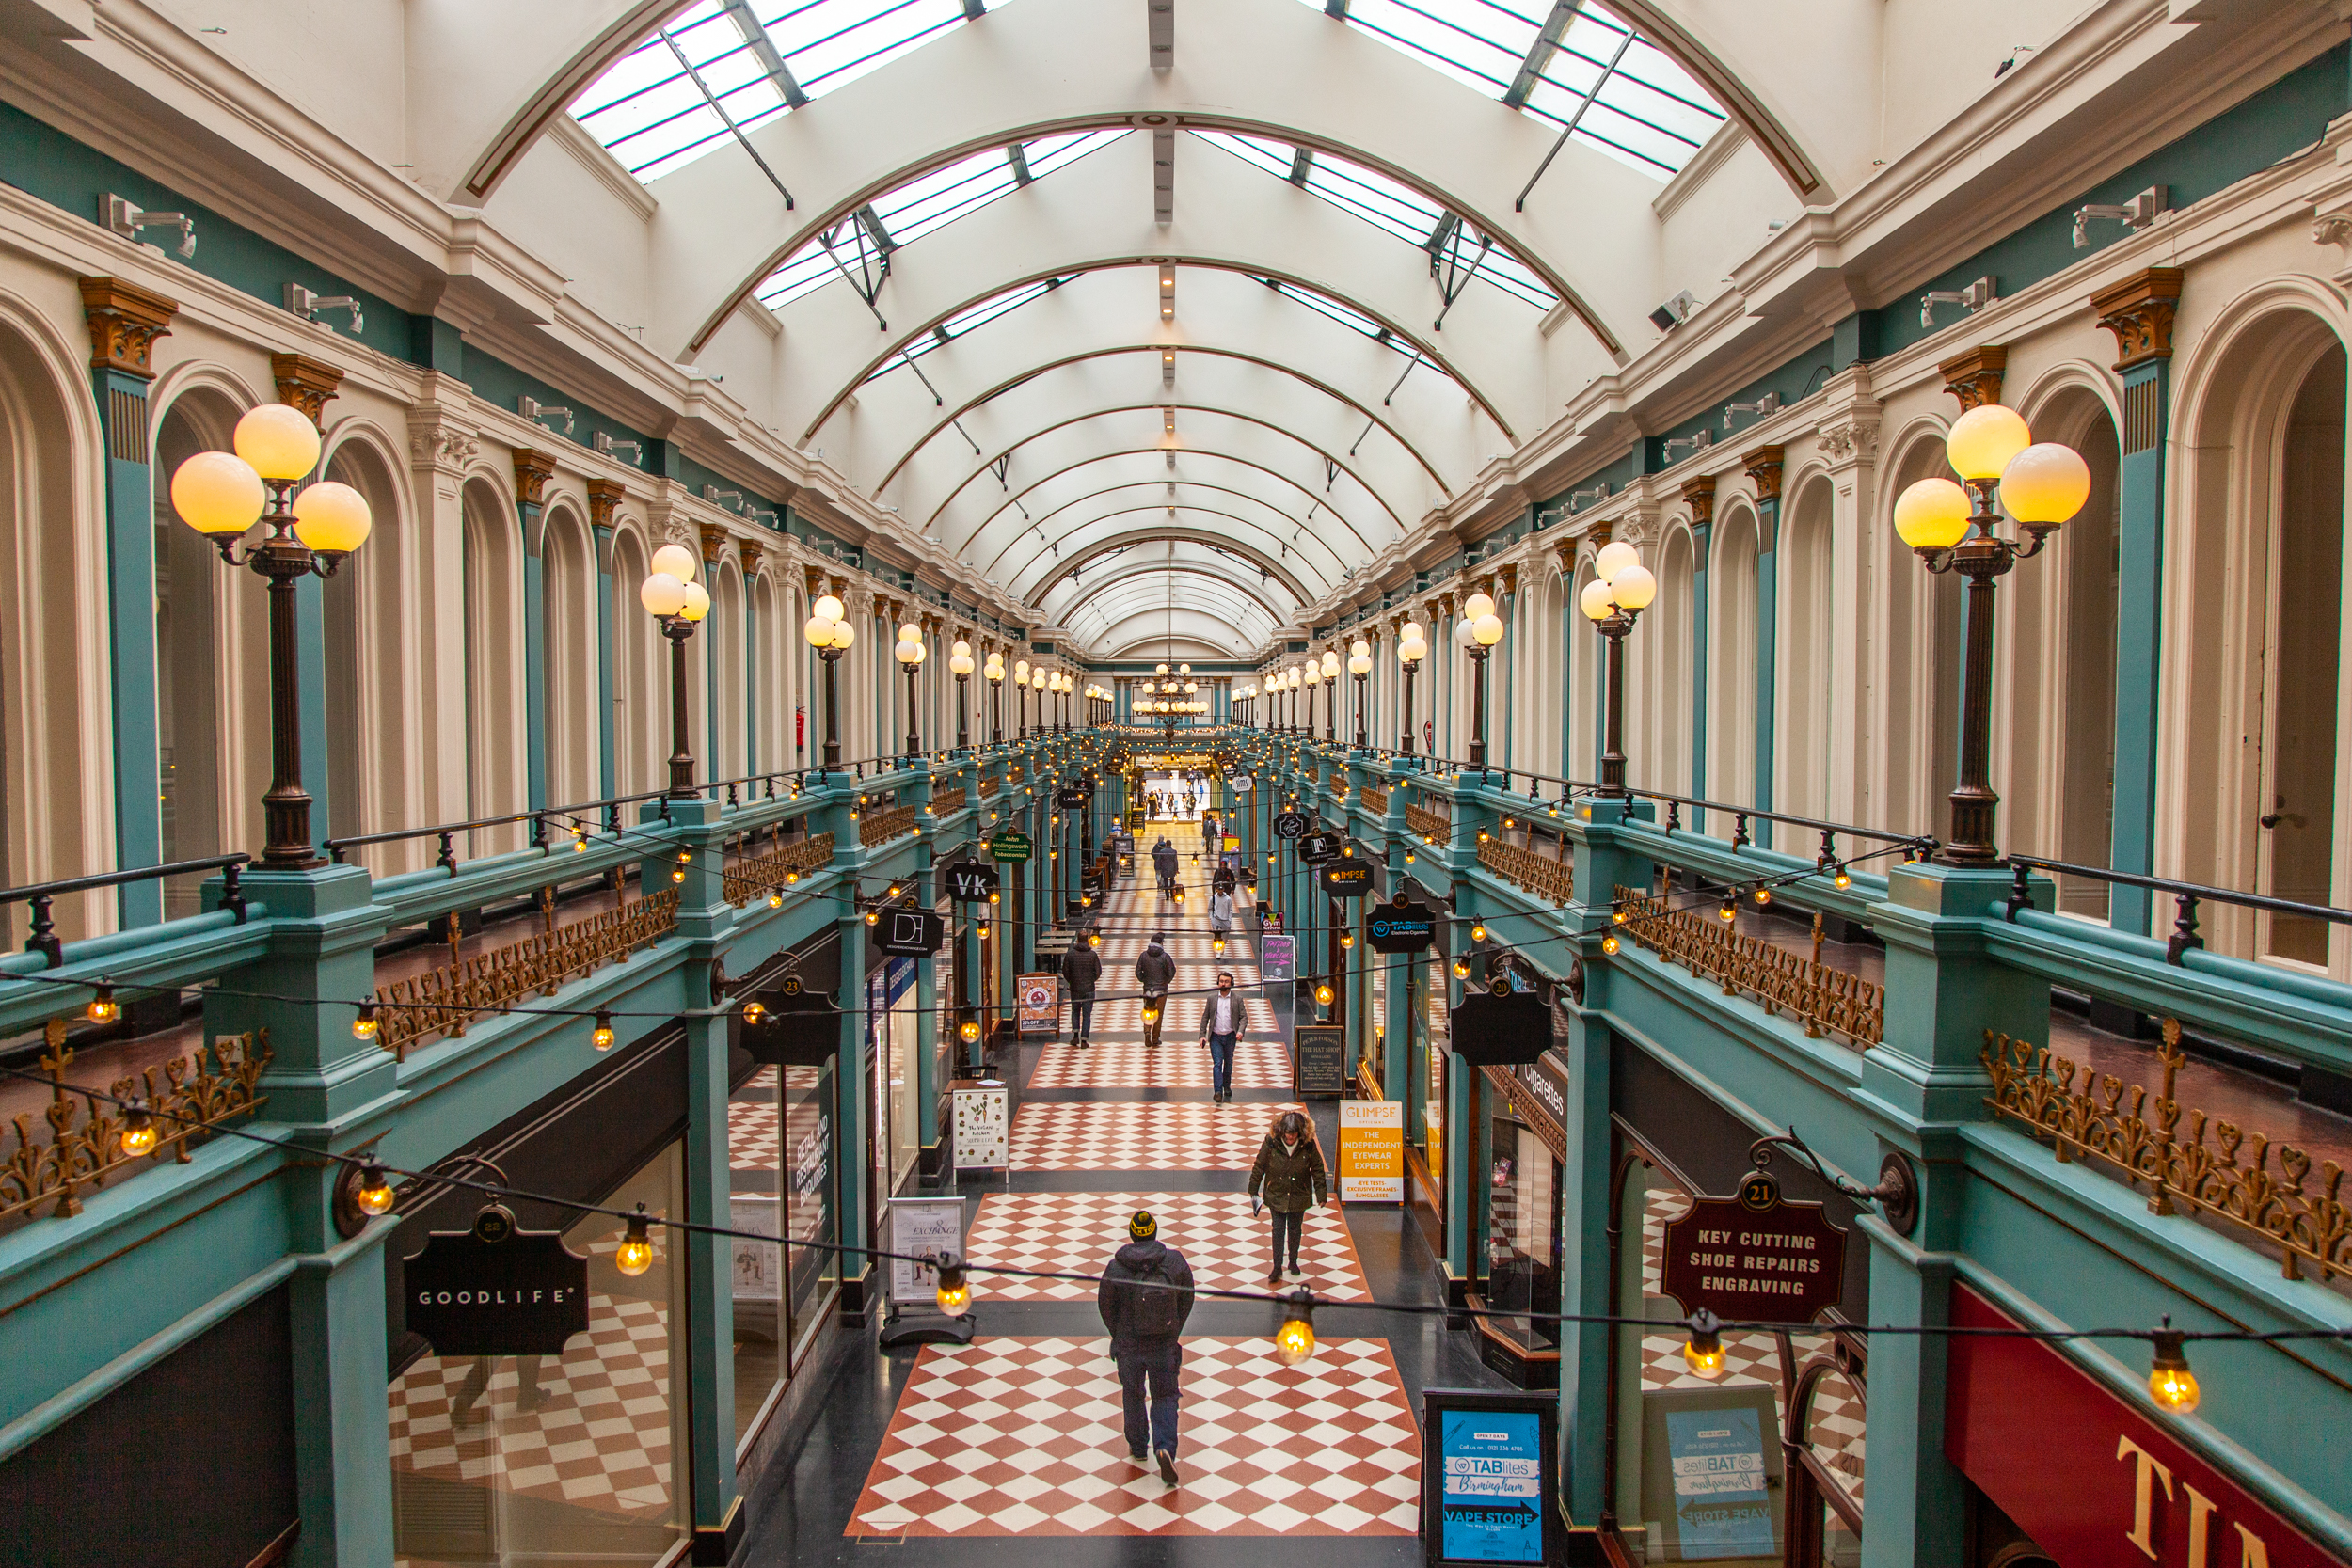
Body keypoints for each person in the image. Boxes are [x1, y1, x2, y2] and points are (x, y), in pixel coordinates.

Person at [1097, 1209, 1195, 1485]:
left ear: (1131, 1235)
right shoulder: (1174, 1263)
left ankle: (1139, 1446)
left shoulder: (1116, 1268)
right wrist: (1174, 1328)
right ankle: (1164, 1446)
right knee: (1165, 1396)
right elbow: (1187, 1298)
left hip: (1129, 1345)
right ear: (1154, 1232)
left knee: (1133, 1394)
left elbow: (1105, 1305)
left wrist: (1117, 1334)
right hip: (1164, 1343)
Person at [1248, 1109, 1328, 1284]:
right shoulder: (1271, 1143)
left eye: (1293, 1136)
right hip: (1276, 1193)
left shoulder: (1307, 1145)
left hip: (1299, 1194)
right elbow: (1259, 1165)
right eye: (1287, 1135)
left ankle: (1293, 1261)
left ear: (1299, 1133)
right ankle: (1277, 1266)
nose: (1290, 1139)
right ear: (1281, 1132)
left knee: (1295, 1229)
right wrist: (1253, 1190)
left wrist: (1321, 1193)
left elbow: (1317, 1169)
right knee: (1277, 1231)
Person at [1196, 970, 1245, 1103]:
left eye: (1226, 982)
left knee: (1228, 1063)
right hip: (1216, 1037)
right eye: (1222, 981)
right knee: (1217, 1063)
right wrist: (1202, 1035)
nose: (1224, 984)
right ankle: (1218, 1091)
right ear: (1218, 983)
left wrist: (1240, 1031)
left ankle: (1226, 1085)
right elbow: (1205, 1017)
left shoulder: (1237, 999)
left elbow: (1243, 1017)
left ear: (1231, 983)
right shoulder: (1212, 999)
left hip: (1230, 1036)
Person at [1136, 933, 1176, 1049]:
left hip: (1148, 988)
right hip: (1161, 989)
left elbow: (1138, 971)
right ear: (1161, 943)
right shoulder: (1165, 957)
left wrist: (1144, 981)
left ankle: (1147, 1031)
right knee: (1159, 1013)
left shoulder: (1143, 955)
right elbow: (1171, 971)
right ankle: (1155, 1038)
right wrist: (1166, 981)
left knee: (1148, 1009)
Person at [1060, 936, 1101, 1049]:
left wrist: (1071, 981)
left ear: (1077, 940)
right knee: (1087, 1014)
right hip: (1088, 989)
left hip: (1075, 989)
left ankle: (1075, 1036)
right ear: (1087, 940)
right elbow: (1098, 972)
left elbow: (1065, 971)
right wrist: (1091, 980)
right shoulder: (1092, 955)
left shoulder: (1070, 954)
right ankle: (1084, 1040)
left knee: (1075, 1011)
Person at [1207, 882, 1235, 947]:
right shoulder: (1213, 898)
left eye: (1221, 889)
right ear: (1216, 889)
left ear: (1223, 889)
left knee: (1225, 936)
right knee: (1217, 935)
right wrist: (1211, 918)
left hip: (1225, 920)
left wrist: (1229, 920)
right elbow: (1210, 908)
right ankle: (1218, 949)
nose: (1220, 891)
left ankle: (1222, 945)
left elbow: (1230, 910)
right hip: (1216, 919)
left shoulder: (1228, 899)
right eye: (1219, 889)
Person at [1152, 835, 1180, 900]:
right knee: (1172, 882)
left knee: (1166, 882)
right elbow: (1175, 861)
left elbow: (1158, 860)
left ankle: (1167, 896)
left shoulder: (1162, 852)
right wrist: (1176, 869)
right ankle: (1172, 894)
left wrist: (1159, 867)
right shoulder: (1174, 851)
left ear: (1166, 844)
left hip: (1164, 869)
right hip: (1172, 869)